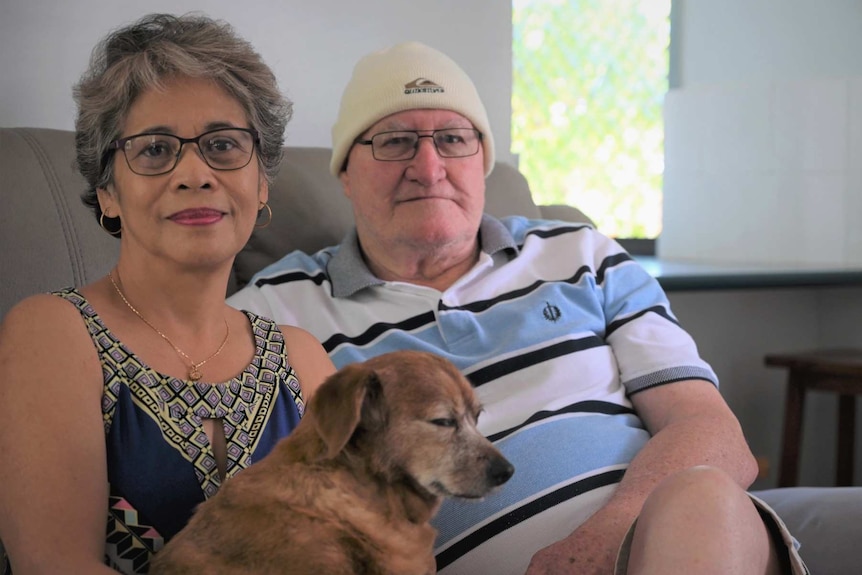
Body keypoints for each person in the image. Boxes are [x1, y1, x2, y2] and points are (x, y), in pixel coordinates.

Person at [227, 42, 809, 574]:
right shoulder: (278, 310)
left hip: (668, 540)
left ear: (481, 162)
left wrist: (607, 532)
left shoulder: (584, 255)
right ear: (346, 173)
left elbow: (710, 430)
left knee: (700, 493)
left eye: (453, 139)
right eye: (394, 141)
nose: (428, 168)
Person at [0, 13, 335, 574]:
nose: (195, 173)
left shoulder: (303, 360)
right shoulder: (52, 332)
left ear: (261, 183)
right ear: (107, 191)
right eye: (155, 150)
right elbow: (55, 565)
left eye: (224, 145)